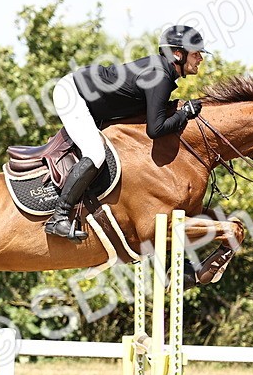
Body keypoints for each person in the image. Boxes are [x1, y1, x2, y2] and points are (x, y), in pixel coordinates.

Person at [44, 24, 208, 241]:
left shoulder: (161, 72)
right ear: (178, 54)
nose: (200, 59)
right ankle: (59, 216)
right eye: (196, 54)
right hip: (74, 94)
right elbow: (156, 129)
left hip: (89, 99)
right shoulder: (159, 76)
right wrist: (184, 114)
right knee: (95, 153)